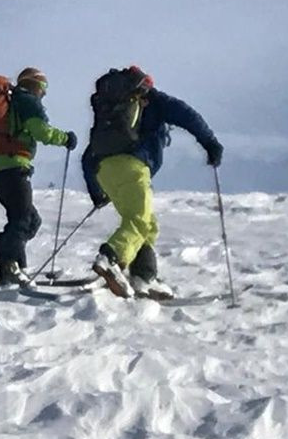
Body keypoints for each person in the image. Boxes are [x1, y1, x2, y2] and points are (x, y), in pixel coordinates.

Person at [81, 66, 222, 298]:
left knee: (148, 223)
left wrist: (96, 191)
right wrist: (210, 143)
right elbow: (188, 115)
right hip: (133, 167)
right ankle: (110, 257)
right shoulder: (154, 100)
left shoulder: (110, 114)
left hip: (104, 171)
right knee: (139, 221)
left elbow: (89, 155)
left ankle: (143, 277)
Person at [0, 67, 78, 284]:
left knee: (29, 219)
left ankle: (3, 254)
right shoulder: (26, 101)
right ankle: (11, 266)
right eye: (43, 88)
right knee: (24, 218)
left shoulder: (11, 101)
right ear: (35, 85)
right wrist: (65, 139)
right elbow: (40, 131)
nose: (43, 94)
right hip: (12, 164)